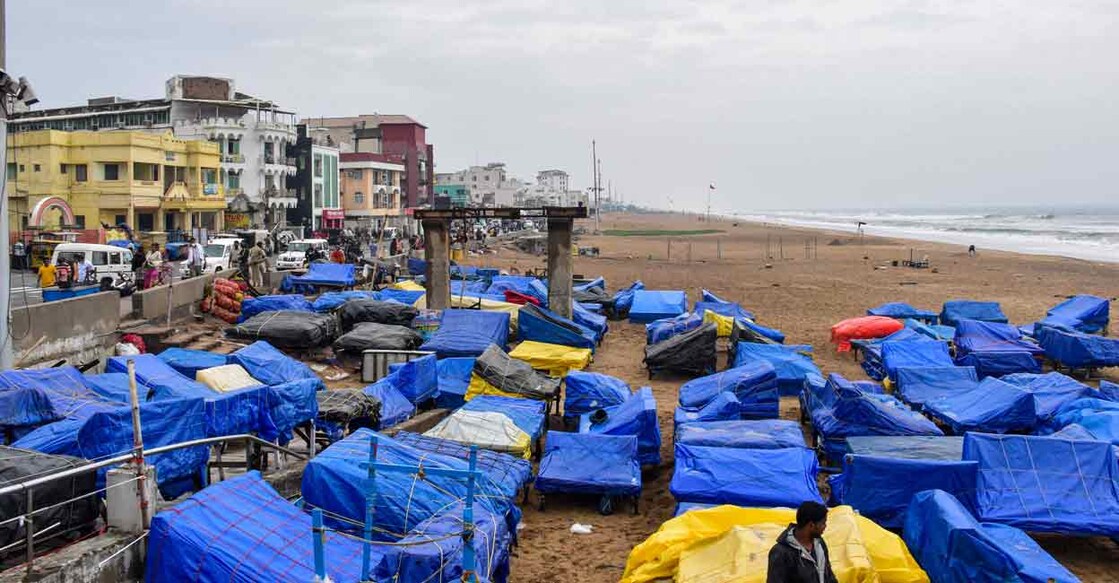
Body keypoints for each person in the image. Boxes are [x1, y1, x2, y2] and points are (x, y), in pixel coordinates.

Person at [767, 501, 837, 583]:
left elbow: (828, 575)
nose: (825, 527)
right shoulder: (781, 553)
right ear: (811, 525)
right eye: (823, 523)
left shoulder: (819, 544)